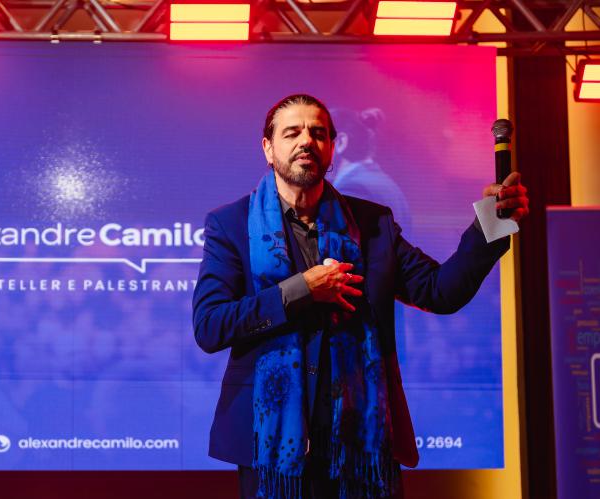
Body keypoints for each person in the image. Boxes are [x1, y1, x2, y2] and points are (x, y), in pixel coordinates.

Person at [191, 94, 529, 499]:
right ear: (268, 147)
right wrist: (301, 290)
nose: (306, 141)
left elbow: (440, 291)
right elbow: (210, 326)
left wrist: (491, 224)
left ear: (332, 148)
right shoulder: (231, 224)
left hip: (360, 442)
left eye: (318, 133)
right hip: (269, 445)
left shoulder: (372, 223)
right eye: (292, 132)